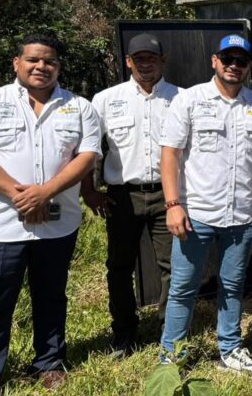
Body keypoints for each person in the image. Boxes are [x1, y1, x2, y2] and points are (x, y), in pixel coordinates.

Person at [0, 35, 101, 390]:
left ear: (58, 67)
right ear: (16, 63)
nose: (41, 67)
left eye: (49, 61)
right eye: (33, 60)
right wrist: (20, 195)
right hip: (2, 224)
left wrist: (45, 193)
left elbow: (87, 156)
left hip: (57, 224)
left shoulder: (80, 107)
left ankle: (49, 362)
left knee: (51, 295)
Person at [159, 34, 252, 373]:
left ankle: (230, 348)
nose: (234, 65)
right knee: (183, 287)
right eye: (228, 58)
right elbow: (169, 153)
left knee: (233, 285)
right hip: (196, 214)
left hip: (240, 216)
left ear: (249, 66)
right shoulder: (190, 100)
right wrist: (172, 204)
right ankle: (172, 355)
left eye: (241, 60)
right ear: (214, 61)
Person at [81, 33, 181, 356]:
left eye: (152, 58)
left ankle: (170, 331)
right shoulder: (106, 100)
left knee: (172, 266)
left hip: (168, 196)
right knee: (119, 267)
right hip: (122, 196)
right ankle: (124, 333)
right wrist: (90, 190)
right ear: (128, 62)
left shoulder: (182, 99)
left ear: (162, 61)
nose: (146, 63)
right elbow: (91, 150)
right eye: (139, 58)